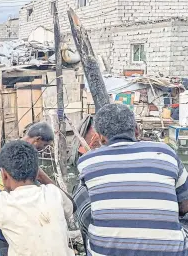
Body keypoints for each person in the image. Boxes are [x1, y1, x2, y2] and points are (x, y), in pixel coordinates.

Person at [78, 103, 188, 255]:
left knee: (81, 196)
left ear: (101, 137)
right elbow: (185, 206)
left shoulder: (87, 161)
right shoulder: (165, 152)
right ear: (136, 129)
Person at [0, 140, 75, 256]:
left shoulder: (3, 203)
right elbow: (71, 206)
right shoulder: (53, 192)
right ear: (37, 172)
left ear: (4, 175)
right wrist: (43, 178)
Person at [0, 122, 55, 196]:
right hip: (8, 193)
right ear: (37, 139)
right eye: (45, 145)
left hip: (2, 191)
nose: (44, 148)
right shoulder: (24, 153)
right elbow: (40, 176)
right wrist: (58, 192)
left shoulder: (8, 147)